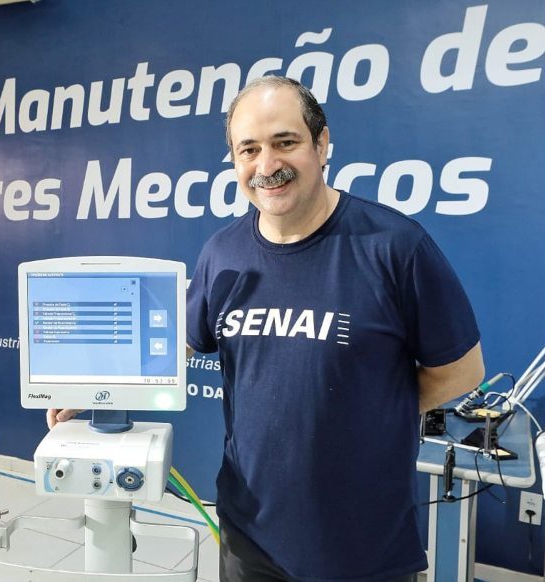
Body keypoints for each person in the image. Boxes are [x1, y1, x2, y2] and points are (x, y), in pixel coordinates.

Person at [50, 76, 485, 582]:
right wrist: (95, 387)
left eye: (285, 142)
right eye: (249, 149)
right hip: (248, 536)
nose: (266, 165)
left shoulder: (394, 246)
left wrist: (372, 412)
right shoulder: (223, 252)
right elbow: (179, 345)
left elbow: (462, 371)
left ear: (322, 144)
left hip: (360, 543)